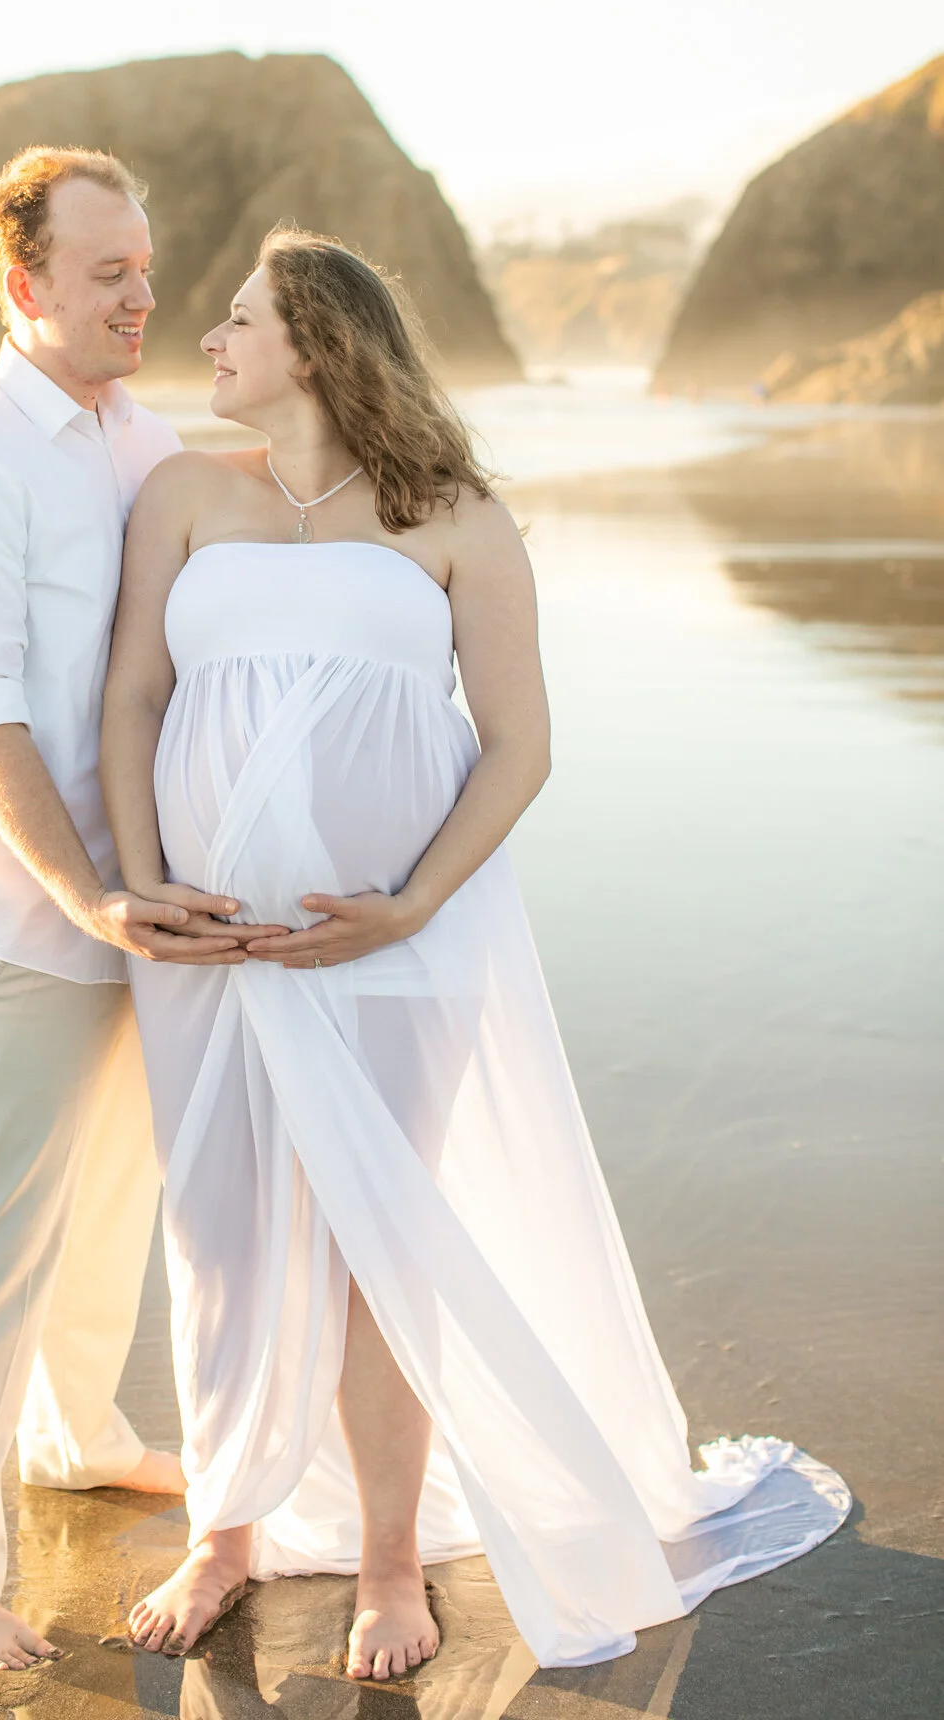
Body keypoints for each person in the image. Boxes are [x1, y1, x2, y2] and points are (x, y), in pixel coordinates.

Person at [99, 230, 849, 1681]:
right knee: (227, 1240)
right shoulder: (183, 496)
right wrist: (144, 885)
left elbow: (519, 746)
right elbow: (132, 698)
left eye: (239, 318)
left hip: (393, 945)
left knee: (382, 1245)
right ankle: (229, 1529)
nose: (209, 338)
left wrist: (417, 902)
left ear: (312, 344)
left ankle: (390, 1561)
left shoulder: (451, 515)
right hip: (208, 946)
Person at [0, 147, 284, 1673]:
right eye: (109, 274)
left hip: (143, 910)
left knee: (112, 1208)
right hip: (15, 918)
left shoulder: (148, 438)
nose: (145, 298)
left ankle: (77, 1436)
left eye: (148, 268)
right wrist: (92, 895)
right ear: (24, 283)